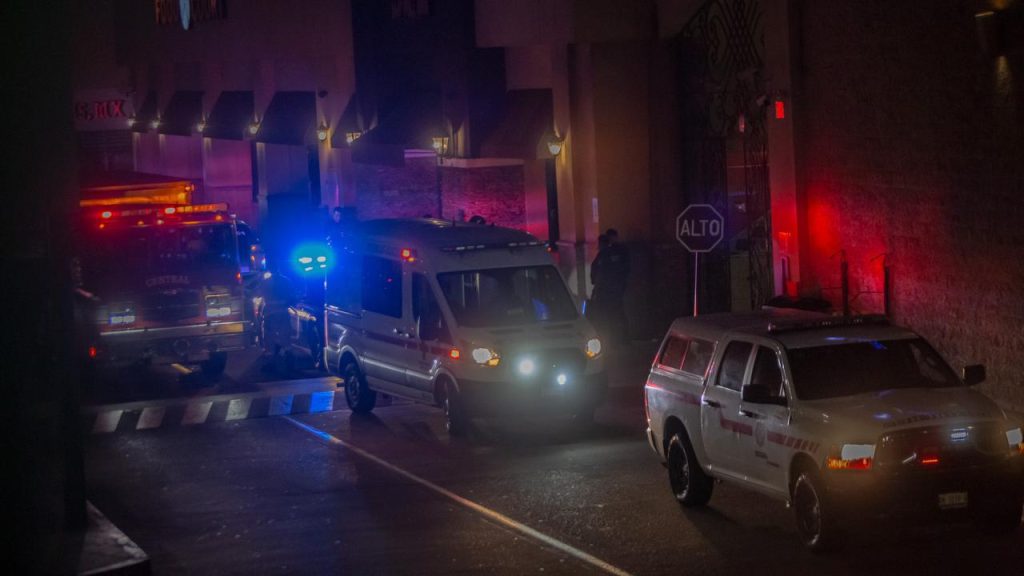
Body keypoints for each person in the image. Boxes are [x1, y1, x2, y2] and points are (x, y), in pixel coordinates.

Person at [600, 228, 631, 348]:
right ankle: (617, 340)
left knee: (618, 314)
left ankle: (623, 339)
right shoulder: (608, 251)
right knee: (613, 315)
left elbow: (625, 269)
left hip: (616, 288)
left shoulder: (621, 250)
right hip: (610, 289)